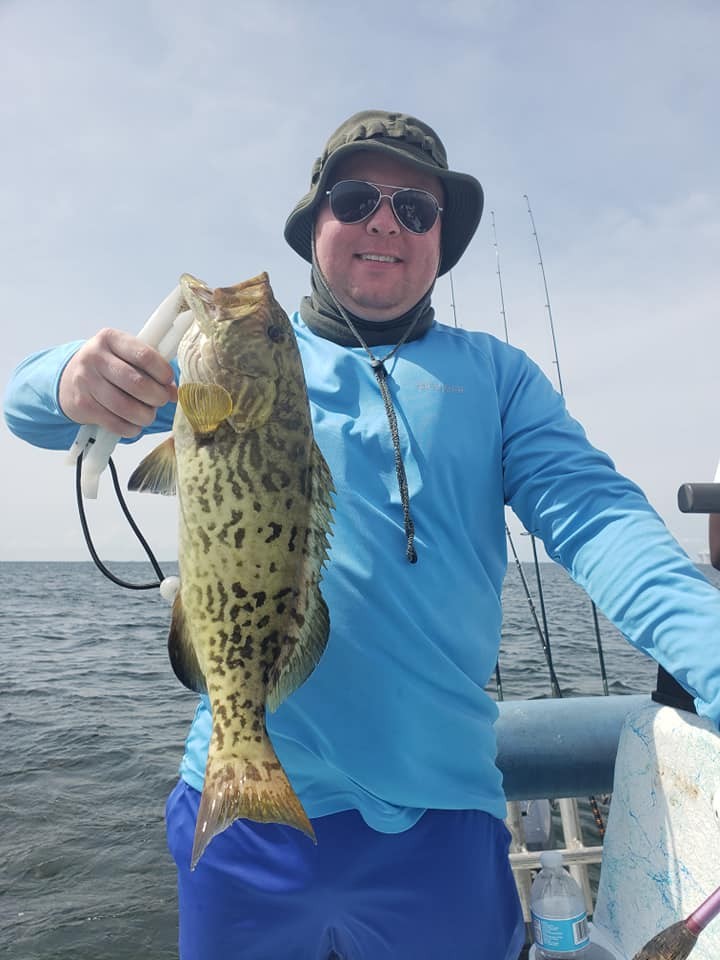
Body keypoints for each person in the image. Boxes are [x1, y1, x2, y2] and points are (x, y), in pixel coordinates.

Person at [5, 109, 720, 960]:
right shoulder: (242, 358)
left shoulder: (496, 378)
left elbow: (595, 514)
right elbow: (32, 408)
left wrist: (712, 655)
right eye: (356, 197)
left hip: (445, 815)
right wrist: (74, 380)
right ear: (316, 224)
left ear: (439, 241)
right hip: (243, 809)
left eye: (416, 210)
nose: (386, 220)